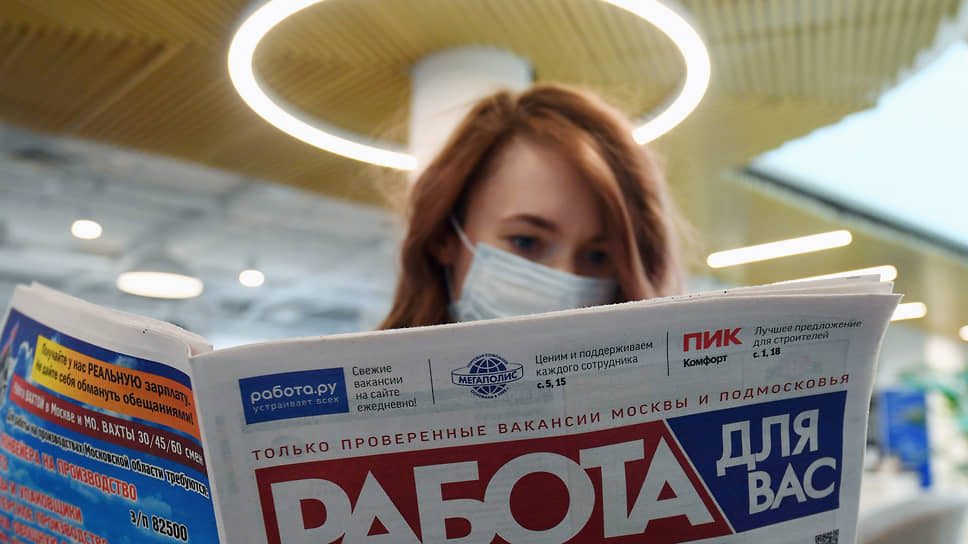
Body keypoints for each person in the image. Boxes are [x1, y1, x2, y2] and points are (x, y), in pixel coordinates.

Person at [379, 83, 685, 329]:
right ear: (445, 237)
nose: (565, 286)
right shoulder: (370, 386)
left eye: (597, 256)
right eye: (526, 241)